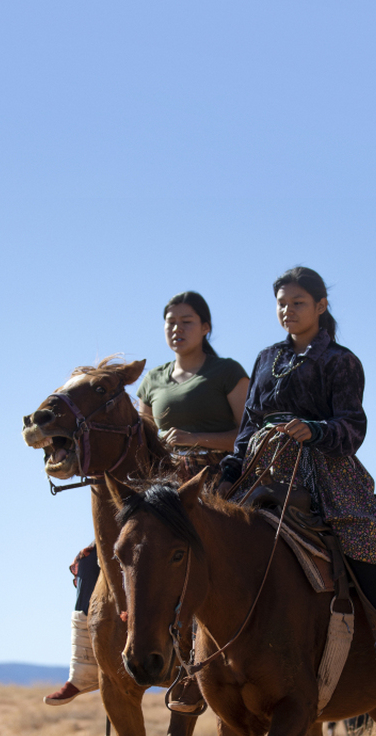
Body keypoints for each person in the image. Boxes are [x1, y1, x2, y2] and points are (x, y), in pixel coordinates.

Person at [216, 266, 376, 691]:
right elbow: (248, 427)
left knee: (360, 537)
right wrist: (229, 470)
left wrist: (315, 429)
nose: (288, 311)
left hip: (324, 468)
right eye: (282, 304)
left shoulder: (341, 361)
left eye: (298, 303)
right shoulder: (265, 359)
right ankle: (192, 663)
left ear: (320, 306)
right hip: (261, 464)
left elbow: (353, 427)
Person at [43, 291, 250, 706]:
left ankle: (205, 664)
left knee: (201, 555)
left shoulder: (227, 372)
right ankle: (85, 667)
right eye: (171, 322)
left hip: (220, 479)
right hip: (165, 484)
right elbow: (144, 438)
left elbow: (246, 434)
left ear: (206, 327)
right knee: (95, 558)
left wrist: (197, 439)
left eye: (188, 321)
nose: (178, 328)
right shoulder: (154, 380)